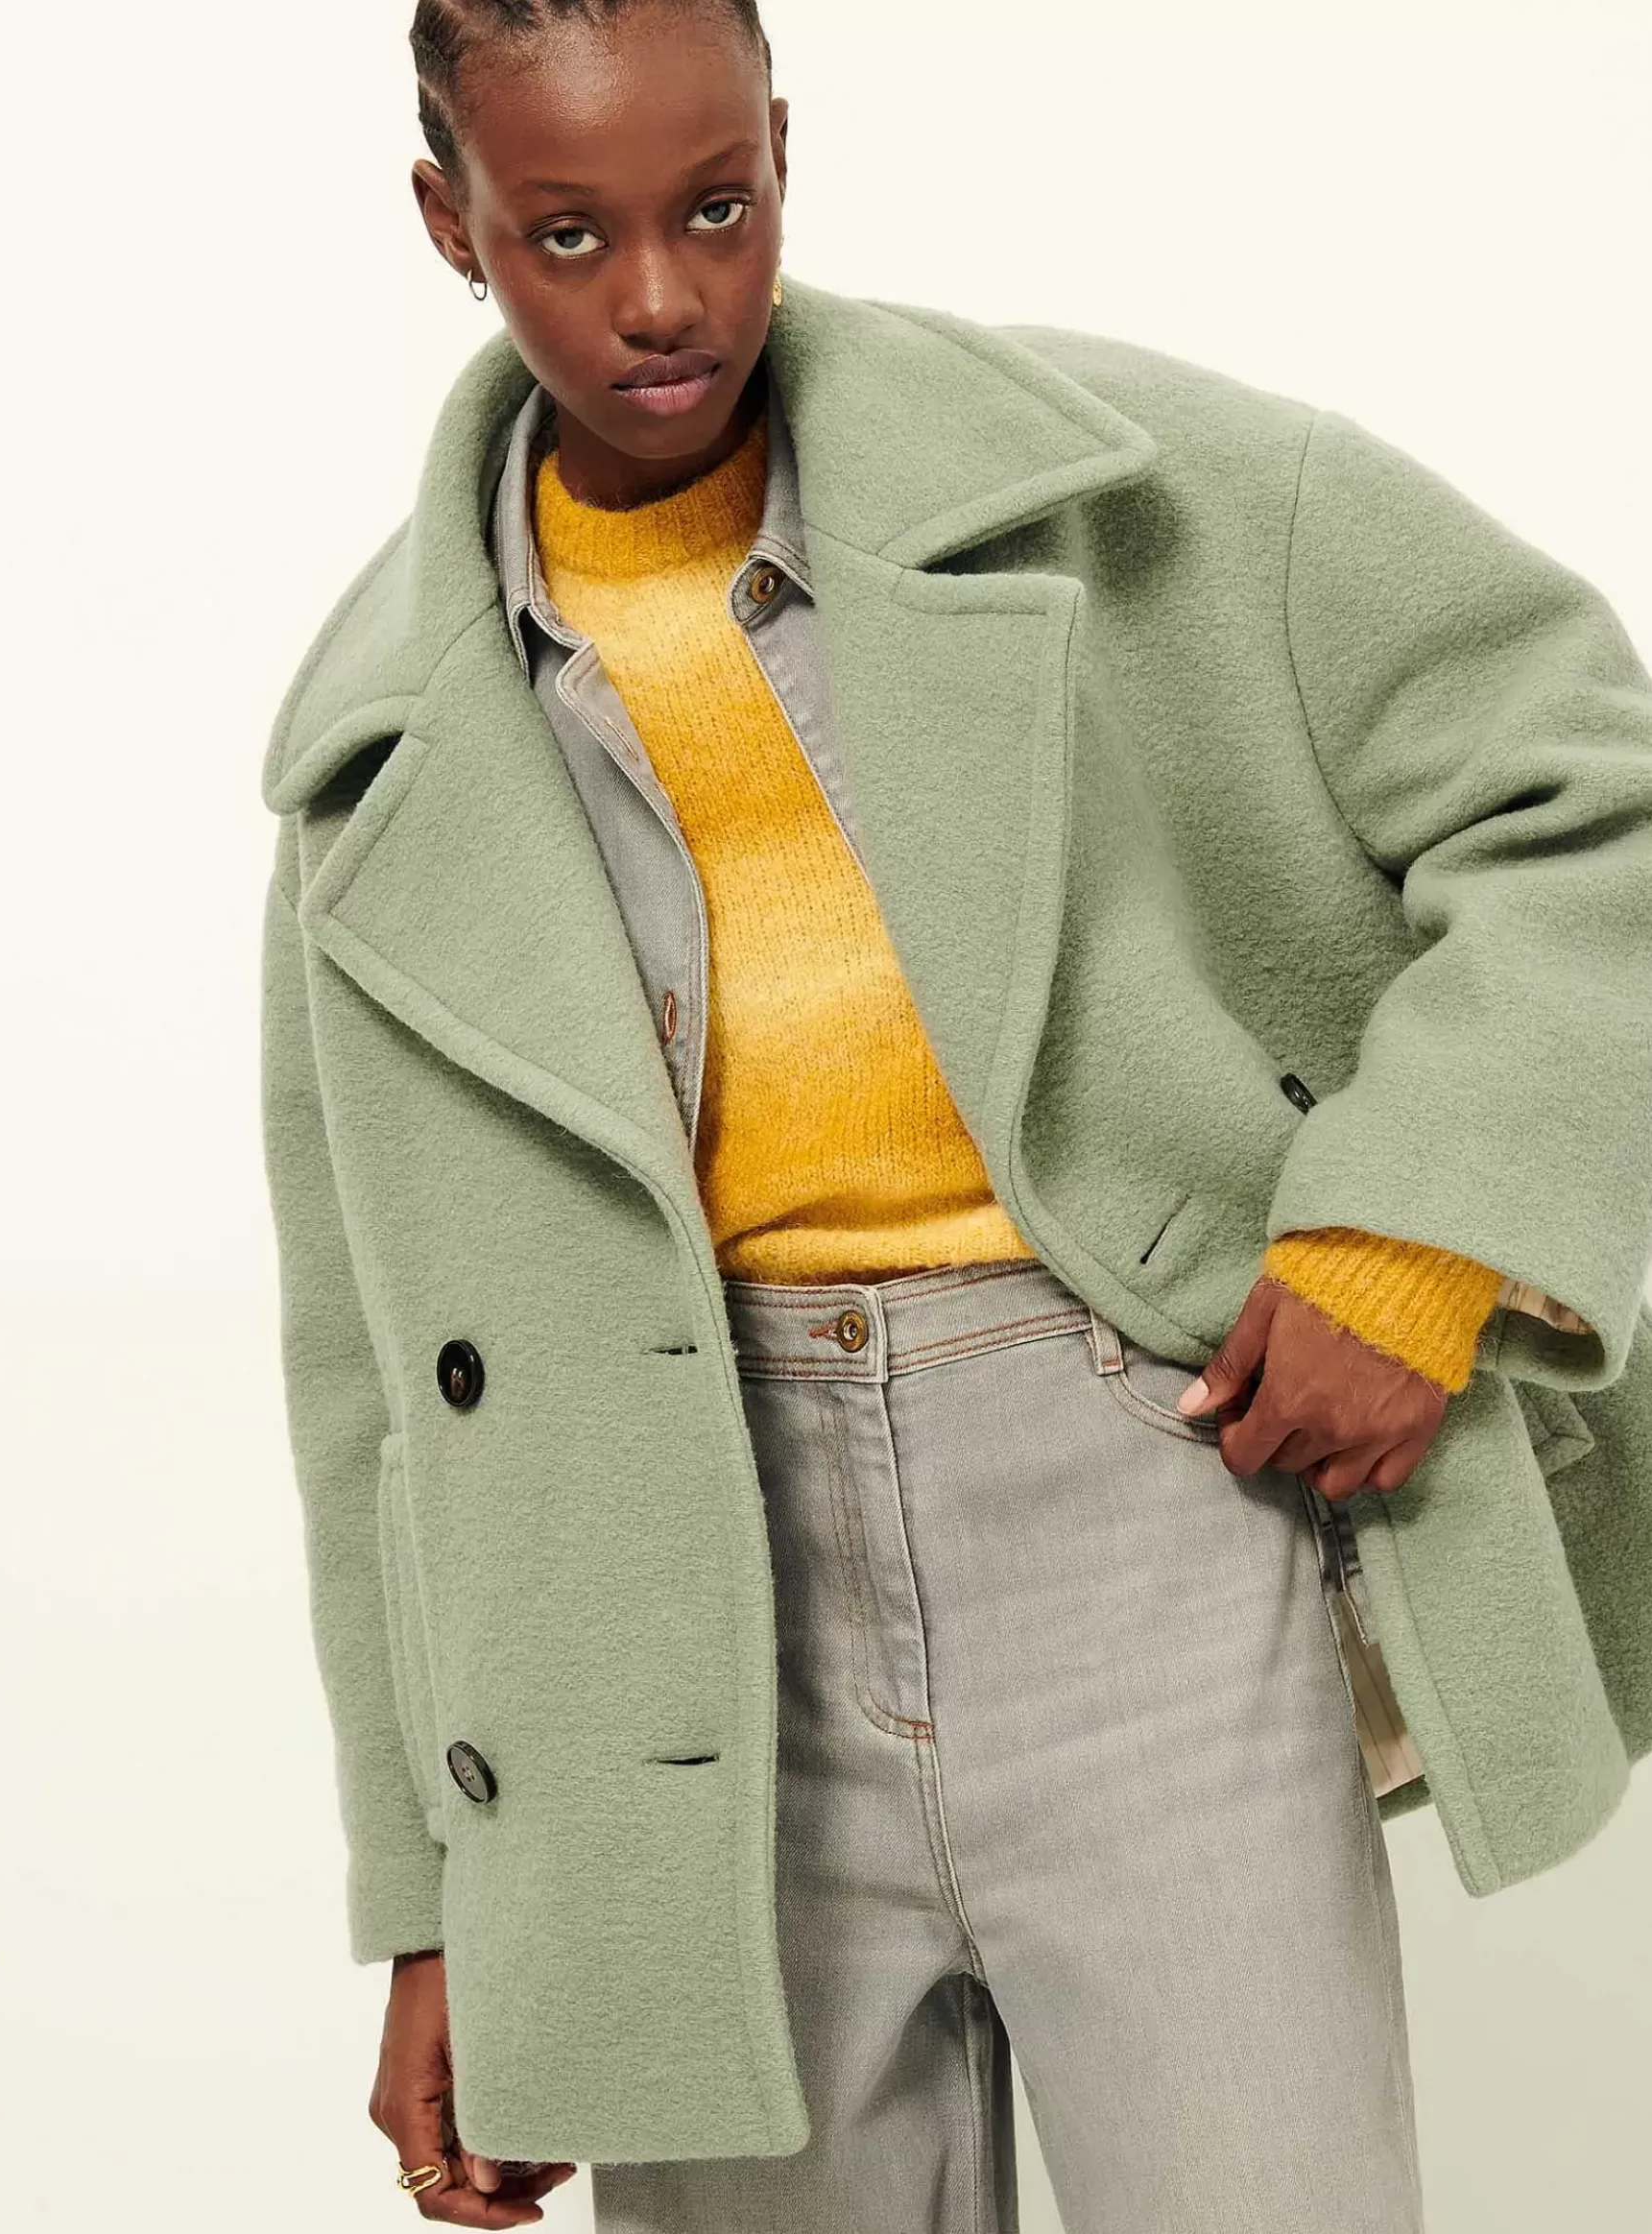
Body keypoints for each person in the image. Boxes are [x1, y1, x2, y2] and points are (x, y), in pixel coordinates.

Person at [257, 2, 1652, 2228]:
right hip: (673, 1632)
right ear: (450, 222)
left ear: (783, 152)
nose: (659, 294)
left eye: (718, 203)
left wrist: (1412, 1239)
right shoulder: (375, 761)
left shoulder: (1129, 487)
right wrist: (444, 1890)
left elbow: (1588, 786)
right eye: (567, 232)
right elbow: (375, 1379)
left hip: (1143, 1498)